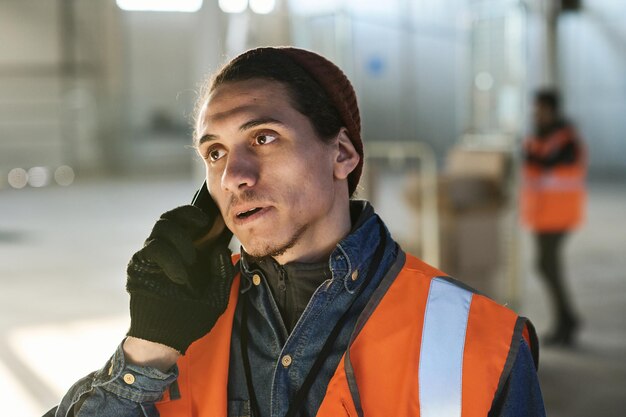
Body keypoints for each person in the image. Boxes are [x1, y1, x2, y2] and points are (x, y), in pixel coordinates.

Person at [47, 47, 545, 417]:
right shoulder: (183, 323)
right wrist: (148, 350)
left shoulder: (477, 341)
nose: (233, 175)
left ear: (342, 154)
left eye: (263, 137)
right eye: (214, 152)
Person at [521, 89, 586, 346]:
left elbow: (550, 162)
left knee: (547, 265)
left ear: (552, 110)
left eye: (541, 109)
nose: (537, 114)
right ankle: (567, 319)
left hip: (559, 215)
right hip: (542, 214)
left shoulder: (566, 139)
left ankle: (566, 320)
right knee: (546, 266)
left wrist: (532, 154)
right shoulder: (539, 137)